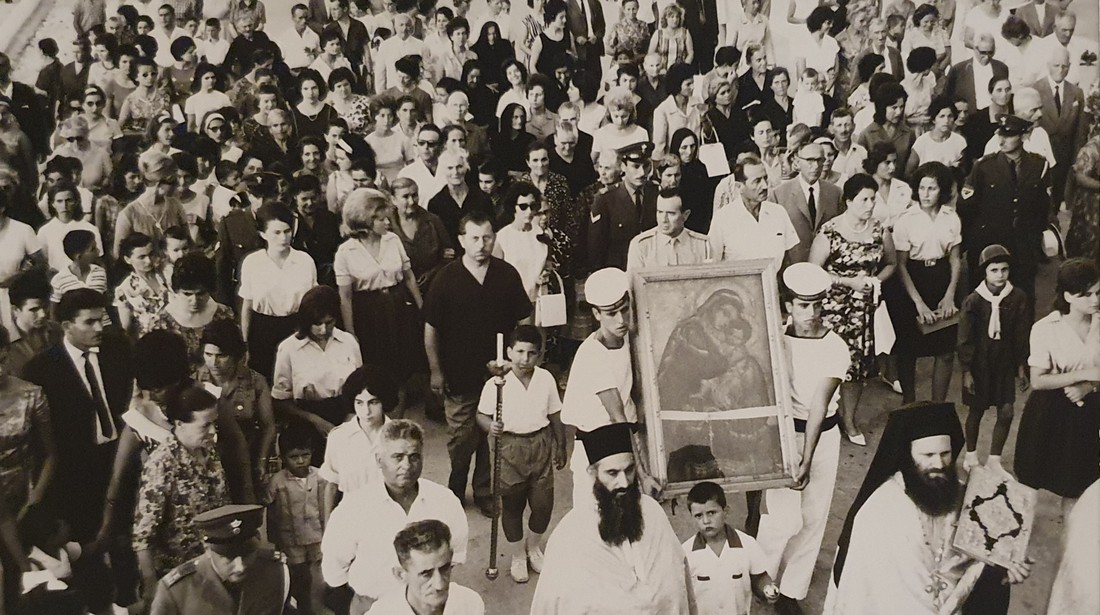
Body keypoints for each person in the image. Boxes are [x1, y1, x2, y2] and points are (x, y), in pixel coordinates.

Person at [826, 401, 1030, 614]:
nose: (939, 464)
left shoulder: (966, 498)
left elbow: (984, 562)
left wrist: (1004, 562)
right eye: (928, 456)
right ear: (908, 457)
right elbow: (871, 594)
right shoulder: (879, 511)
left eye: (945, 454)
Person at [751, 263, 847, 615]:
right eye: (803, 305)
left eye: (817, 304)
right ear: (788, 305)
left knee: (813, 518)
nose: (812, 313)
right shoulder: (773, 340)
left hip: (822, 436)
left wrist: (807, 458)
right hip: (782, 435)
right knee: (783, 518)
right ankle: (760, 576)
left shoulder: (835, 346)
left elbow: (819, 404)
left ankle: (791, 591)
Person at [424, 212, 531, 516]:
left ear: (494, 238)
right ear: (461, 240)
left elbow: (525, 319)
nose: (481, 244)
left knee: (490, 437)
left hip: (498, 376)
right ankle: (455, 489)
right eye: (474, 238)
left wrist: (515, 361)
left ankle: (484, 489)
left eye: (487, 237)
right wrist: (436, 371)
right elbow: (431, 330)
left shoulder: (506, 275)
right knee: (461, 439)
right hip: (459, 377)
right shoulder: (445, 279)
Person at [530, 422, 693, 614]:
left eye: (629, 470)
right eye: (612, 473)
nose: (623, 483)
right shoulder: (570, 533)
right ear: (593, 474)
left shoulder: (652, 512)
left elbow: (677, 575)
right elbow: (554, 602)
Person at [321, 419, 468, 615]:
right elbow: (334, 570)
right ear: (379, 460)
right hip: (371, 606)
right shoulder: (353, 508)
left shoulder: (444, 501)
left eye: (414, 457)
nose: (407, 465)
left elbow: (454, 555)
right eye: (397, 457)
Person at [476, 325, 565, 583]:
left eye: (532, 353)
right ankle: (517, 555)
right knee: (512, 506)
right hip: (509, 448)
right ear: (509, 352)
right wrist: (490, 426)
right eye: (520, 352)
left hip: (540, 444)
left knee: (543, 505)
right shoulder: (496, 384)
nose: (525, 359)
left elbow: (555, 414)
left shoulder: (545, 379)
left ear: (540, 354)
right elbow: (481, 415)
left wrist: (561, 444)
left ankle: (533, 548)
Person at [1014, 258, 1100, 513]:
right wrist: (1085, 374)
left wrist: (1090, 387)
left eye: (1098, 293)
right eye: (1086, 295)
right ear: (1068, 296)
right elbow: (1038, 380)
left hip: (1090, 413)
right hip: (1050, 412)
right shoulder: (1045, 329)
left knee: (1079, 488)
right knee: (1031, 484)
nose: (1095, 300)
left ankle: (1073, 539)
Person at [133, 383, 228, 609]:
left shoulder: (209, 452)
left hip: (213, 570)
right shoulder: (162, 464)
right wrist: (151, 586)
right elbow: (143, 537)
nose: (213, 432)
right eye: (205, 425)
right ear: (179, 424)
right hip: (179, 578)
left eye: (214, 423)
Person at [336, 189, 424, 415]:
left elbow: (409, 276)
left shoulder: (392, 240)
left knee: (401, 367)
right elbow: (346, 297)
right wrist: (351, 332)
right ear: (364, 220)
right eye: (381, 218)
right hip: (369, 314)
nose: (388, 222)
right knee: (375, 370)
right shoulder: (346, 252)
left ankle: (397, 417)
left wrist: (421, 308)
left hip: (398, 308)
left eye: (388, 217)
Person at [960, 114, 1050, 312]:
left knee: (1023, 298)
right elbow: (967, 207)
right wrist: (973, 241)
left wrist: (1037, 238)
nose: (1001, 140)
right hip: (991, 243)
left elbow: (1042, 206)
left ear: (1024, 136)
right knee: (985, 299)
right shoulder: (984, 167)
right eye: (1000, 135)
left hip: (1024, 245)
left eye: (1009, 136)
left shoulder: (1038, 165)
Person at [957, 244, 1030, 478]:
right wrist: (967, 370)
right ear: (985, 273)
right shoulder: (974, 301)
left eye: (1004, 269)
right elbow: (965, 338)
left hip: (1004, 362)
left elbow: (1021, 334)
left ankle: (994, 460)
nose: (1000, 275)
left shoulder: (1017, 298)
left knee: (1006, 411)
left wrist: (1022, 366)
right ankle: (970, 455)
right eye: (994, 270)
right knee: (976, 409)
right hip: (980, 363)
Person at [891, 161, 961, 403]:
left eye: (932, 188)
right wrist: (918, 303)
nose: (926, 194)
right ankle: (909, 403)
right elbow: (900, 265)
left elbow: (955, 259)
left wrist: (950, 294)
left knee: (945, 350)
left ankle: (937, 406)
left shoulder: (951, 218)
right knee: (908, 349)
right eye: (922, 188)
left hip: (942, 278)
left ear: (942, 190)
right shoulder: (906, 220)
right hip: (913, 280)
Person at [272, 285, 362, 461]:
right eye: (317, 324)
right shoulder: (289, 349)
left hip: (347, 415)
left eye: (329, 322)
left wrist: (350, 419)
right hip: (307, 421)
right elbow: (280, 401)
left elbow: (360, 387)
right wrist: (315, 420)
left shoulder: (348, 342)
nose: (323, 330)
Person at [150, 504, 292, 614]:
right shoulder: (176, 591)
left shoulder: (276, 572)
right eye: (228, 558)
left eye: (247, 555)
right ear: (208, 550)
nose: (240, 567)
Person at [238, 203, 317, 383]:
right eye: (276, 232)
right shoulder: (252, 263)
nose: (283, 238)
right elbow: (247, 306)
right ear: (263, 234)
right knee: (265, 381)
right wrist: (245, 343)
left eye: (287, 231)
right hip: (263, 332)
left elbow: (312, 304)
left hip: (297, 329)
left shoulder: (304, 261)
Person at [684, 481, 778, 615]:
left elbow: (759, 577)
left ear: (726, 511)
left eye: (711, 513)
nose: (706, 521)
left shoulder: (747, 544)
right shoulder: (685, 552)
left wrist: (767, 588)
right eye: (698, 516)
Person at [318, 364, 397, 515]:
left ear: (384, 401)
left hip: (389, 514)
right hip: (352, 515)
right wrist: (329, 525)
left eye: (373, 402)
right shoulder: (339, 437)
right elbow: (332, 486)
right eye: (359, 402)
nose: (366, 411)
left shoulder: (399, 435)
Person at [266, 426, 325, 615]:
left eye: (305, 455)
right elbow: (269, 509)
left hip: (317, 535)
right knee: (298, 575)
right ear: (283, 457)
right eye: (294, 457)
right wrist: (274, 538)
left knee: (318, 574)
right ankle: (302, 607)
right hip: (291, 538)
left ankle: (317, 606)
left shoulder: (320, 477)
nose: (300, 461)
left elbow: (326, 505)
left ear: (312, 453)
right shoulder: (277, 481)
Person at [709, 155, 799, 269]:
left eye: (765, 178)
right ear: (739, 187)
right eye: (757, 181)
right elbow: (713, 264)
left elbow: (787, 260)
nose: (765, 186)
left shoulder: (779, 213)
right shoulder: (722, 219)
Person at [148, 253, 236, 369]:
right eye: (187, 294)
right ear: (176, 291)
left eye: (201, 293)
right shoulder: (161, 322)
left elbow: (234, 355)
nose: (194, 301)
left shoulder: (223, 314)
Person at [587, 142, 657, 272]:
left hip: (651, 270)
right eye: (635, 166)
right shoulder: (605, 199)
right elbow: (596, 248)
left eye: (646, 166)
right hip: (618, 272)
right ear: (623, 167)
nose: (642, 172)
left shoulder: (656, 193)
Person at [773, 141, 844, 264]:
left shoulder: (835, 193)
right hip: (792, 267)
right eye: (810, 160)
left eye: (820, 160)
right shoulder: (779, 194)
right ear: (797, 161)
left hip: (827, 267)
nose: (815, 166)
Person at [626, 188, 711, 270]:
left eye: (671, 213)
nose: (664, 220)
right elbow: (634, 279)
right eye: (660, 212)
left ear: (685, 215)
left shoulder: (703, 245)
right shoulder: (641, 245)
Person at [6, 271, 62, 379]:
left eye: (45, 307)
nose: (42, 314)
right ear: (15, 310)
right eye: (34, 310)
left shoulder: (58, 331)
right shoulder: (4, 341)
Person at [115, 232, 169, 337]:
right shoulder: (124, 289)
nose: (148, 261)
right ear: (128, 259)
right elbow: (126, 328)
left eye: (151, 254)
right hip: (148, 340)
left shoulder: (166, 274)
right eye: (141, 257)